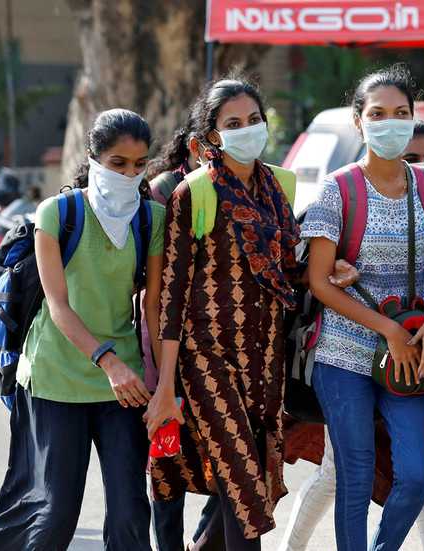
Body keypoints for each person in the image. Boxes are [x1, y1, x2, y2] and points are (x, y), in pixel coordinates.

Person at [0, 109, 165, 550]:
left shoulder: (151, 218)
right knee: (52, 512)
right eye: (118, 163)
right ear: (95, 159)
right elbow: (57, 305)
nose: (129, 174)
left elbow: (152, 306)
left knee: (130, 513)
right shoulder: (57, 212)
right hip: (56, 374)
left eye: (139, 165)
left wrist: (163, 383)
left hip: (124, 385)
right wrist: (107, 360)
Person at [281, 119, 424, 551]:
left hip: (410, 354)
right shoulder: (337, 188)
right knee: (352, 473)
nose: (391, 123)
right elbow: (319, 281)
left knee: (419, 475)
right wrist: (387, 328)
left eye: (401, 111)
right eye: (379, 113)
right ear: (360, 121)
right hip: (343, 351)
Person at [147, 75, 302, 550]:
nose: (247, 129)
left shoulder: (282, 186)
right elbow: (170, 298)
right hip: (206, 360)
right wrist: (167, 386)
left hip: (264, 361)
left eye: (254, 119)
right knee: (242, 486)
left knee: (249, 481)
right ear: (211, 136)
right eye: (233, 123)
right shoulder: (193, 192)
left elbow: (289, 267)